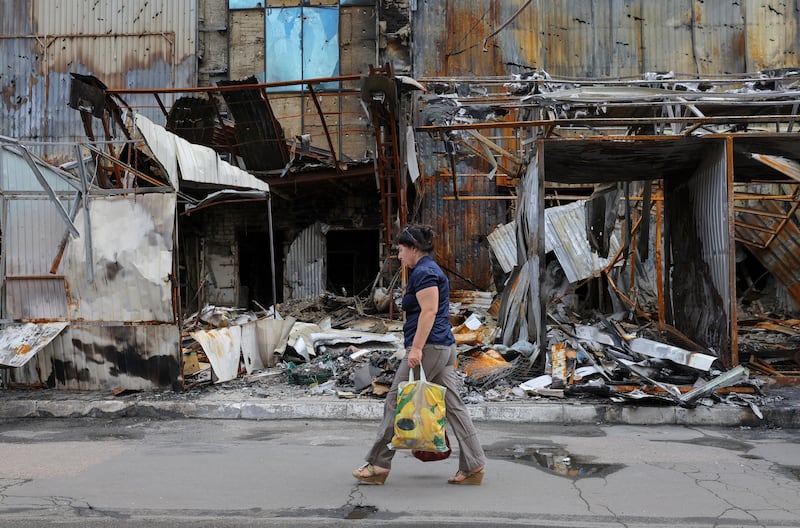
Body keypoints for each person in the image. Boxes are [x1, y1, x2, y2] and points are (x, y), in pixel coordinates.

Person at [352, 224, 487, 485]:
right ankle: (474, 465)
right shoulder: (426, 270)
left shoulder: (424, 272)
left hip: (429, 348)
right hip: (443, 347)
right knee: (455, 407)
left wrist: (415, 348)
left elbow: (429, 311)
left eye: (401, 250)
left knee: (395, 401)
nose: (399, 255)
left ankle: (378, 466)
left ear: (414, 249)